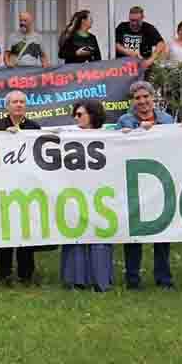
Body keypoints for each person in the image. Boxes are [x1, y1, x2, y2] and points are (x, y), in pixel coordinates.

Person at [117, 80, 176, 289]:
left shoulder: (167, 119)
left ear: (153, 98)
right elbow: (118, 147)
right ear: (133, 101)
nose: (142, 101)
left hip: (160, 181)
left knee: (162, 231)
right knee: (134, 232)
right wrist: (134, 132)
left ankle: (164, 278)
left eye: (146, 97)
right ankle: (132, 278)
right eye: (138, 98)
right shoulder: (125, 120)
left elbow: (177, 145)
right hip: (135, 182)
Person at [61, 100, 114, 292]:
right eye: (75, 115)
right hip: (75, 193)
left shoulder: (110, 136)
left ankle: (100, 281)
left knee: (98, 235)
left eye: (80, 114)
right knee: (75, 234)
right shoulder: (68, 136)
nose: (76, 118)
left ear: (92, 115)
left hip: (100, 194)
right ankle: (75, 280)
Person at [0, 90, 41, 283]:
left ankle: (26, 272)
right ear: (7, 106)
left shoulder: (34, 127)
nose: (19, 105)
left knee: (26, 228)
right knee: (5, 228)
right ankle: (3, 271)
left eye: (22, 102)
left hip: (27, 186)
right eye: (15, 102)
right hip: (4, 186)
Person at [114, 6, 166, 73]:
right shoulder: (122, 27)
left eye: (137, 21)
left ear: (142, 18)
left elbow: (161, 44)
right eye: (132, 20)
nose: (134, 23)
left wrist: (151, 60)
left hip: (142, 68)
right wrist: (127, 52)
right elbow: (115, 44)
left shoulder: (148, 28)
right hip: (123, 68)